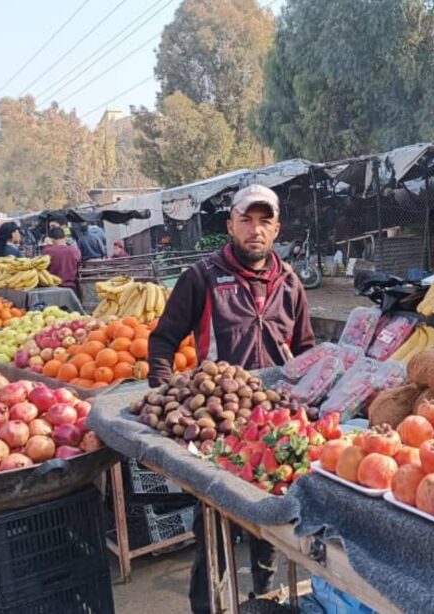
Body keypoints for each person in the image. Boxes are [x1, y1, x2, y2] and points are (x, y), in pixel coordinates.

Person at [148, 184, 315, 614]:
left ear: (277, 228)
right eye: (246, 219)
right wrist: (167, 396)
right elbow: (164, 340)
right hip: (218, 429)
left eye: (264, 221)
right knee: (214, 528)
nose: (255, 230)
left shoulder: (291, 282)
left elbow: (308, 352)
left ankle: (263, 596)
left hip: (274, 428)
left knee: (268, 524)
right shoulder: (201, 277)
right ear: (230, 225)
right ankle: (207, 607)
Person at [42, 226, 81, 292]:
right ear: (65, 237)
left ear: (51, 239)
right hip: (72, 287)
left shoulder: (47, 251)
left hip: (53, 288)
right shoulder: (75, 251)